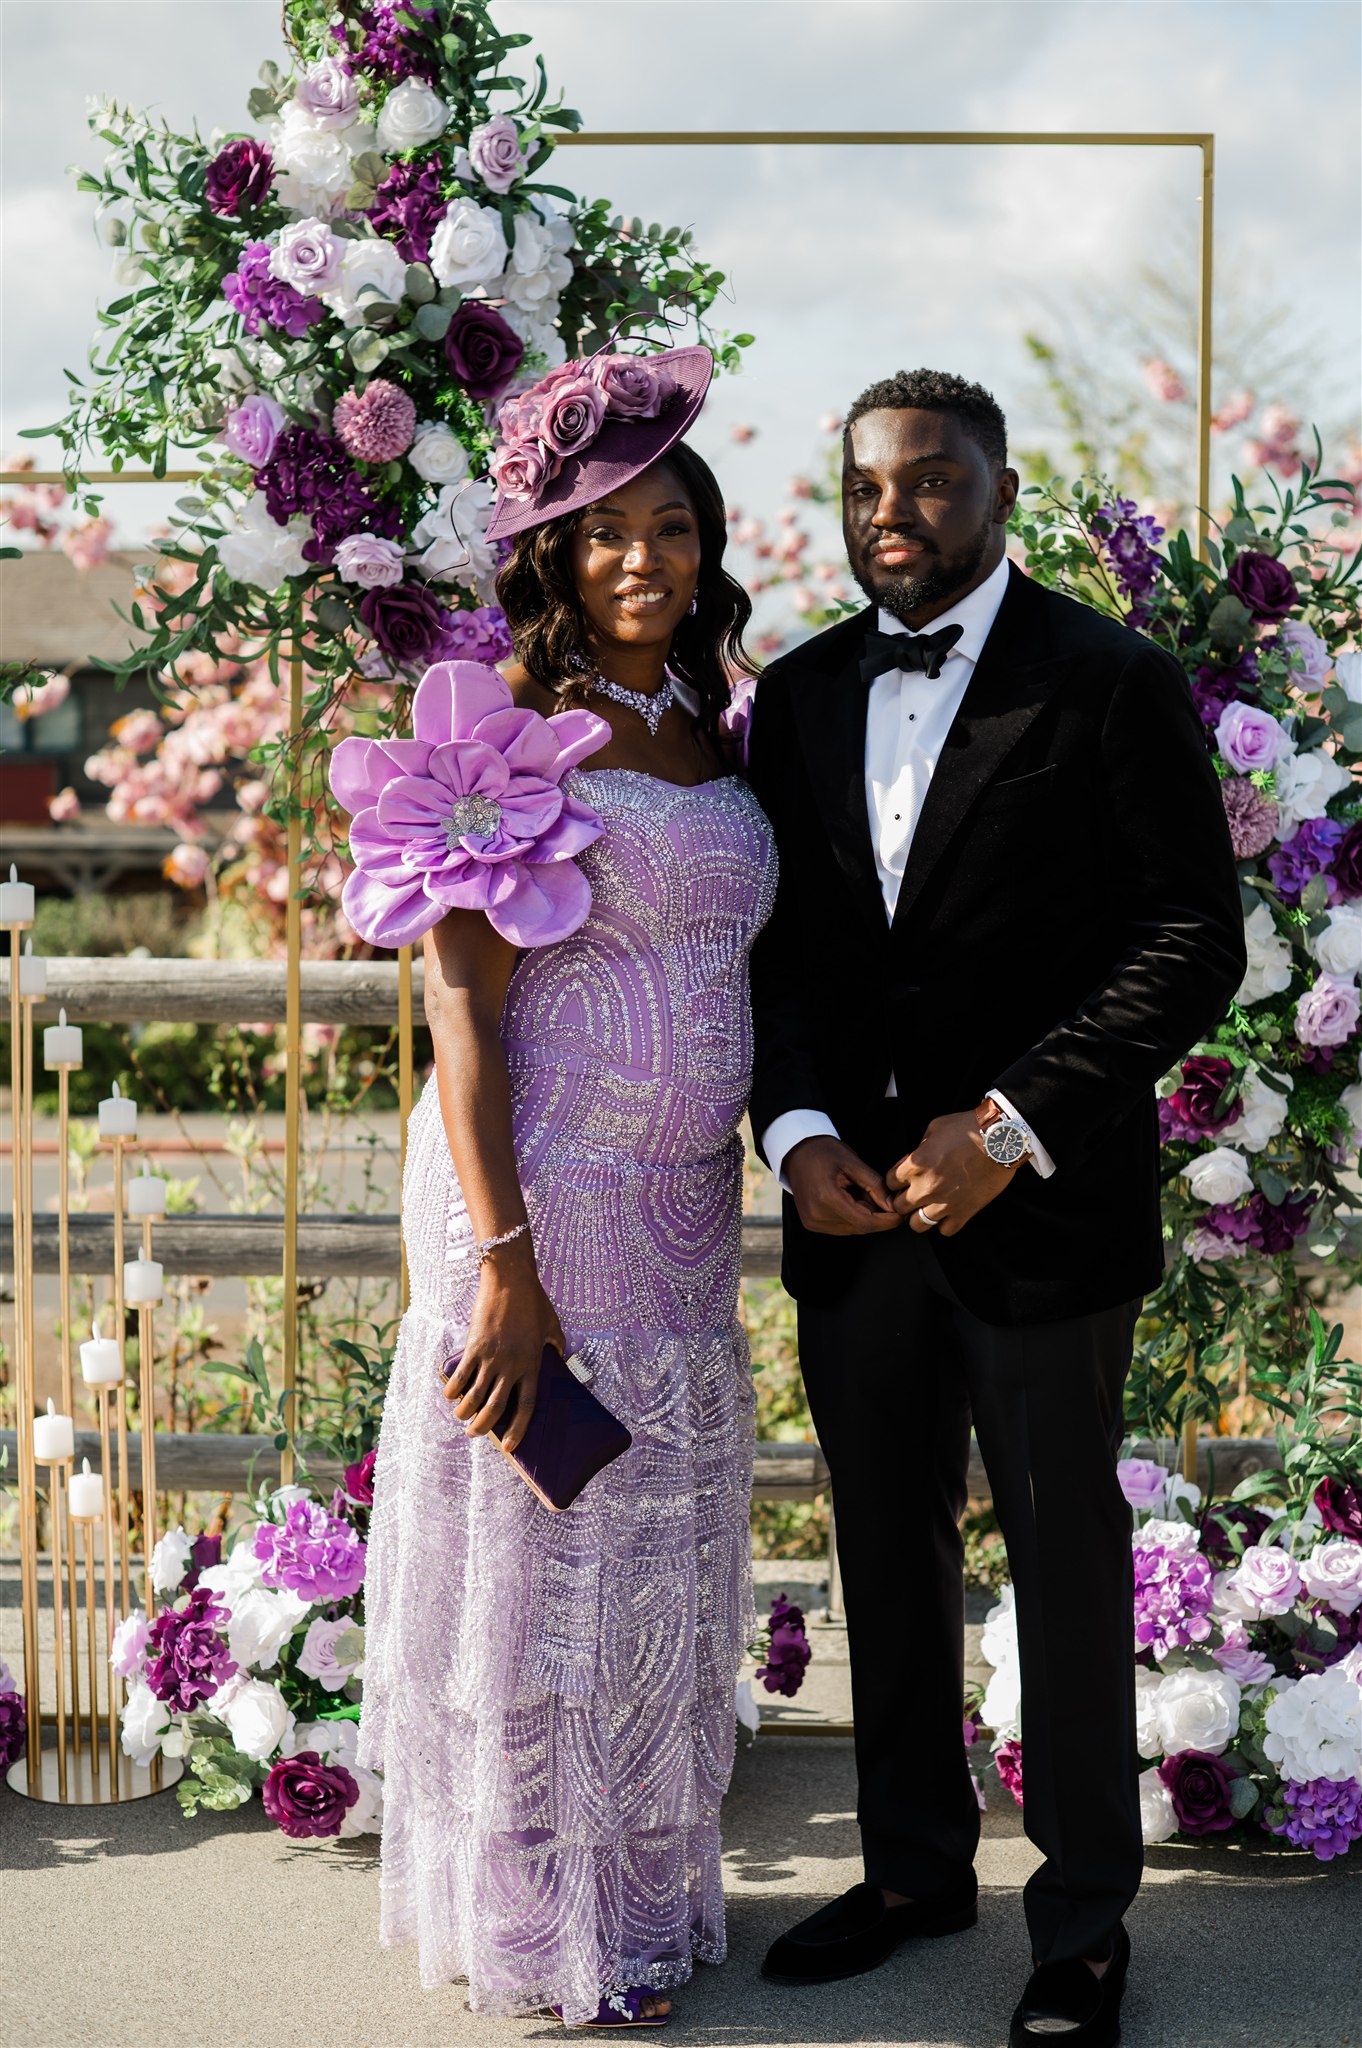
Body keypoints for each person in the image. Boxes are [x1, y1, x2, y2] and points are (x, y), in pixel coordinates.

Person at [747, 368, 1246, 2048]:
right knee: (881, 1551)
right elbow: (792, 956)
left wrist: (1012, 1125)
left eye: (932, 484)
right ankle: (908, 1873)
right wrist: (797, 1132)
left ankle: (1086, 1923)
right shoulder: (800, 694)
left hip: (1038, 1218)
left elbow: (1190, 939)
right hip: (854, 1224)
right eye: (869, 487)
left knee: (1063, 1563)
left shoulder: (1108, 682)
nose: (895, 513)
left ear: (999, 490)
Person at [344, 342, 776, 2031]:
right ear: (550, 556)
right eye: (602, 533)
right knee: (547, 1552)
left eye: (667, 527)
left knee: (653, 1549)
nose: (638, 560)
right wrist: (503, 1263)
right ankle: (543, 1929)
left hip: (685, 1209)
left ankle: (640, 1898)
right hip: (538, 1196)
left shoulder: (725, 722)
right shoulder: (508, 733)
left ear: (704, 543)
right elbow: (460, 1004)